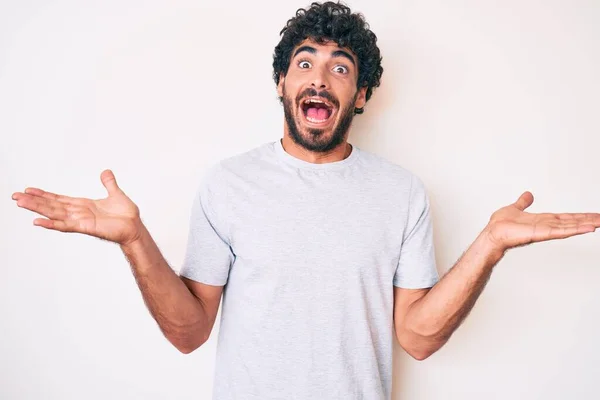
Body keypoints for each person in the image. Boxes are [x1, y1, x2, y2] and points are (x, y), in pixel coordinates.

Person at [10, 2, 600, 399]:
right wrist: (135, 241)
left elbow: (418, 338)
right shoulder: (228, 183)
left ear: (360, 93)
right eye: (305, 64)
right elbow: (189, 332)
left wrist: (490, 245)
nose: (320, 78)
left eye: (340, 68)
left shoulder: (402, 193)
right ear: (283, 85)